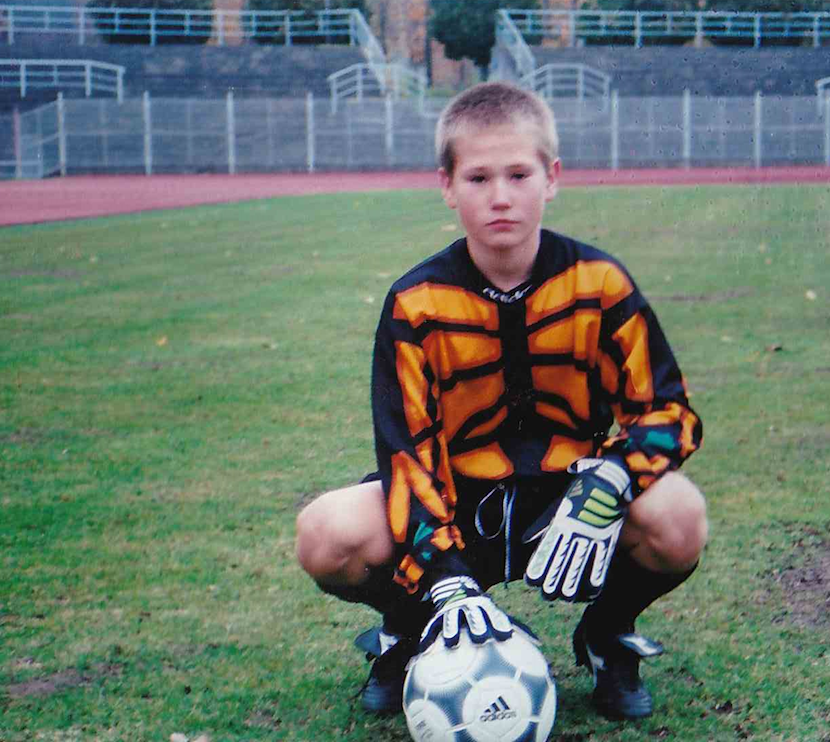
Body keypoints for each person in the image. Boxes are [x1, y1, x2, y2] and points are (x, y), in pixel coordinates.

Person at [295, 81, 707, 721]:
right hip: (456, 501)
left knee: (680, 516)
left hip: (569, 506)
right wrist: (445, 575)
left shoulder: (599, 283)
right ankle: (411, 628)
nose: (501, 196)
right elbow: (407, 452)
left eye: (519, 174)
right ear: (447, 186)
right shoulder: (416, 302)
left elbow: (669, 414)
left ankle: (607, 634)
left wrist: (614, 478)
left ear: (552, 177)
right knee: (326, 533)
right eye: (479, 177)